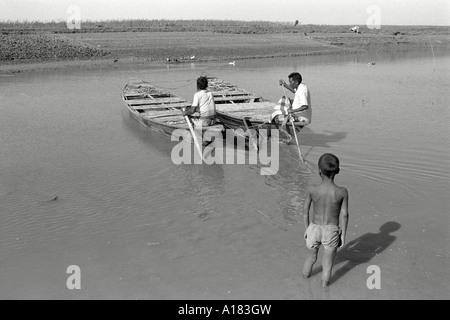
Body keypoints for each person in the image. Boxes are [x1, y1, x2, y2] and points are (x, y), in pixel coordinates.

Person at [302, 153, 349, 287]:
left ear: (319, 171)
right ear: (337, 171)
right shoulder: (342, 191)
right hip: (331, 230)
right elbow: (344, 214)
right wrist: (343, 235)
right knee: (327, 265)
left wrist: (306, 229)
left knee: (310, 259)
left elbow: (305, 211)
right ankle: (324, 291)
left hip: (314, 228)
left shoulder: (312, 189)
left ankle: (304, 284)